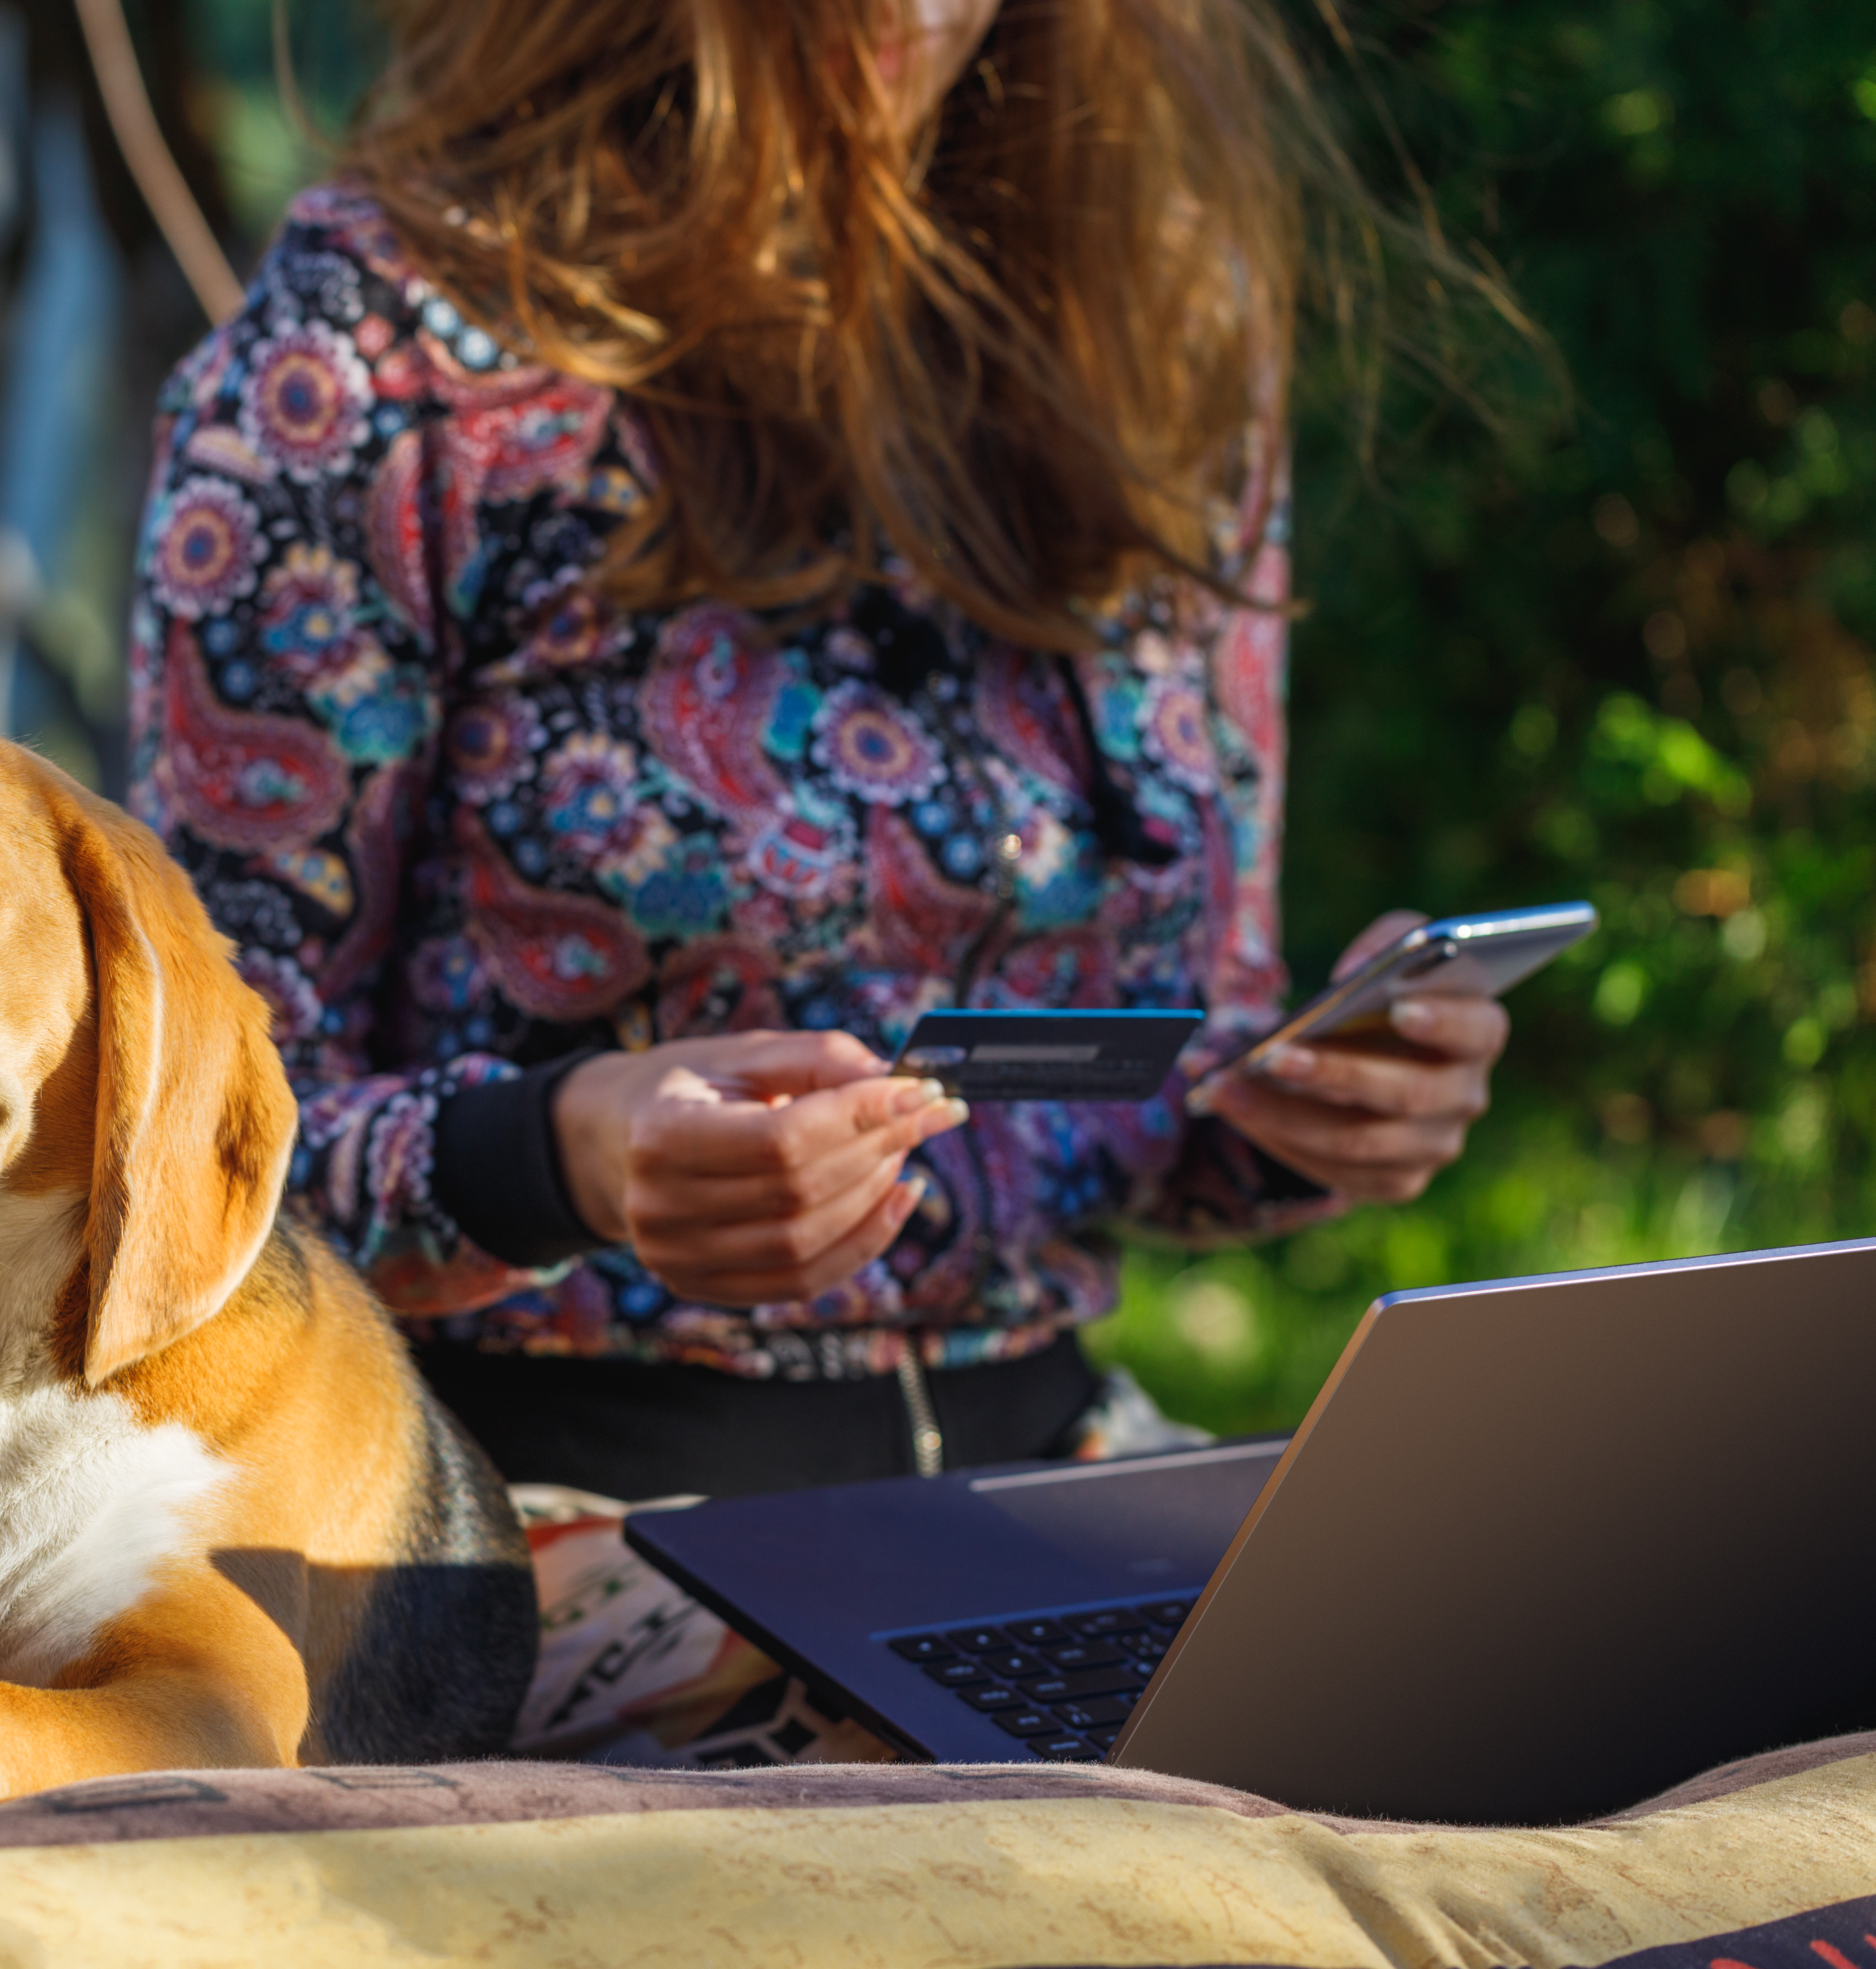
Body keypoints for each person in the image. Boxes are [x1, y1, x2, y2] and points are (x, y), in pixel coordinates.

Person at [122, 0, 1510, 1500]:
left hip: (1061, 1475)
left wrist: (1312, 1105)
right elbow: (189, 1162)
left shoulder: (1163, 319)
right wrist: (564, 1155)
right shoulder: (371, 353)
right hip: (536, 1517)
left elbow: (1161, 1085)